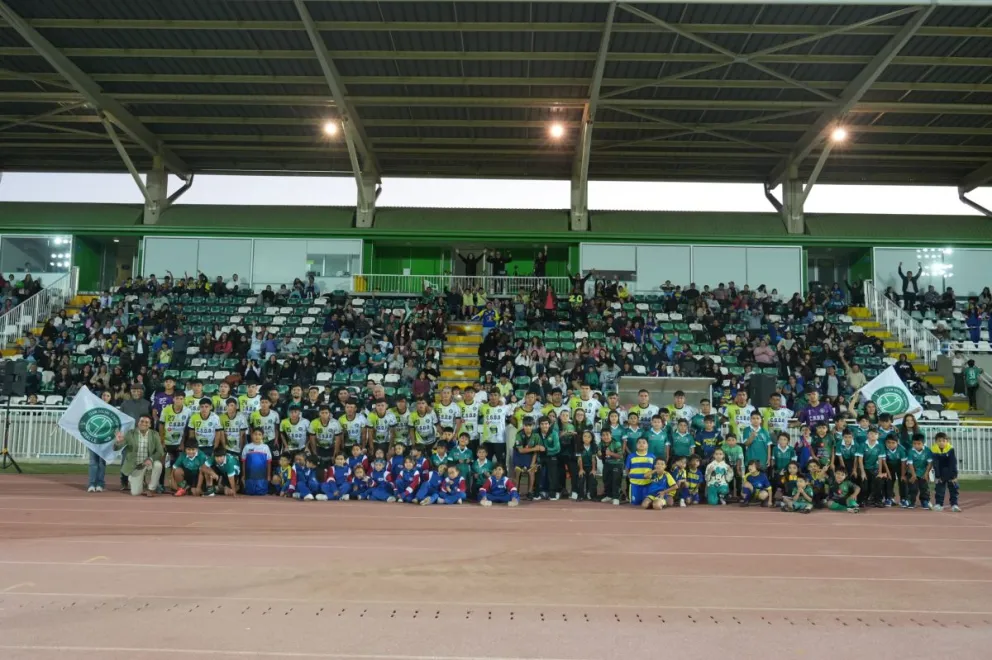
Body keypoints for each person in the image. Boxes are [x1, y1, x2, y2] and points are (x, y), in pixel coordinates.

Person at [113, 414, 164, 497]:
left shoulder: (155, 434)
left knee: (158, 465)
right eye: (142, 421)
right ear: (138, 423)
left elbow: (160, 452)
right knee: (135, 493)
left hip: (148, 463)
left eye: (146, 422)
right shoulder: (130, 433)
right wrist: (118, 442)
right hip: (136, 466)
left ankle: (151, 489)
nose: (144, 423)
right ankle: (137, 481)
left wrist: (150, 459)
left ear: (150, 425)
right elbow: (116, 448)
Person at [930, 432, 960, 512]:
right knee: (939, 489)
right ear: (936, 442)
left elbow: (953, 463)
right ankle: (939, 504)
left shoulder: (950, 449)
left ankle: (954, 505)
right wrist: (938, 476)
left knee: (954, 489)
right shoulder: (934, 449)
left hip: (950, 472)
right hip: (940, 473)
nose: (941, 442)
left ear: (947, 441)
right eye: (939, 441)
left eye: (944, 441)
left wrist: (954, 476)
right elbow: (935, 464)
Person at [902, 434, 932, 510]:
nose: (916, 446)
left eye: (919, 444)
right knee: (913, 488)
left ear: (923, 443)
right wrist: (913, 475)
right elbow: (910, 464)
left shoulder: (928, 451)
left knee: (924, 488)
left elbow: (929, 463)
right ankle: (911, 501)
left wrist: (926, 473)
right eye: (914, 443)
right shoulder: (910, 451)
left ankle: (925, 501)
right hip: (912, 472)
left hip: (923, 472)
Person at [624, 437, 654, 506]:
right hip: (635, 485)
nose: (641, 444)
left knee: (646, 503)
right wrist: (630, 477)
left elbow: (654, 470)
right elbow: (627, 469)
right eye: (639, 443)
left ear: (647, 445)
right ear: (636, 445)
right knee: (635, 504)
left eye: (644, 443)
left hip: (647, 484)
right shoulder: (631, 456)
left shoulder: (652, 456)